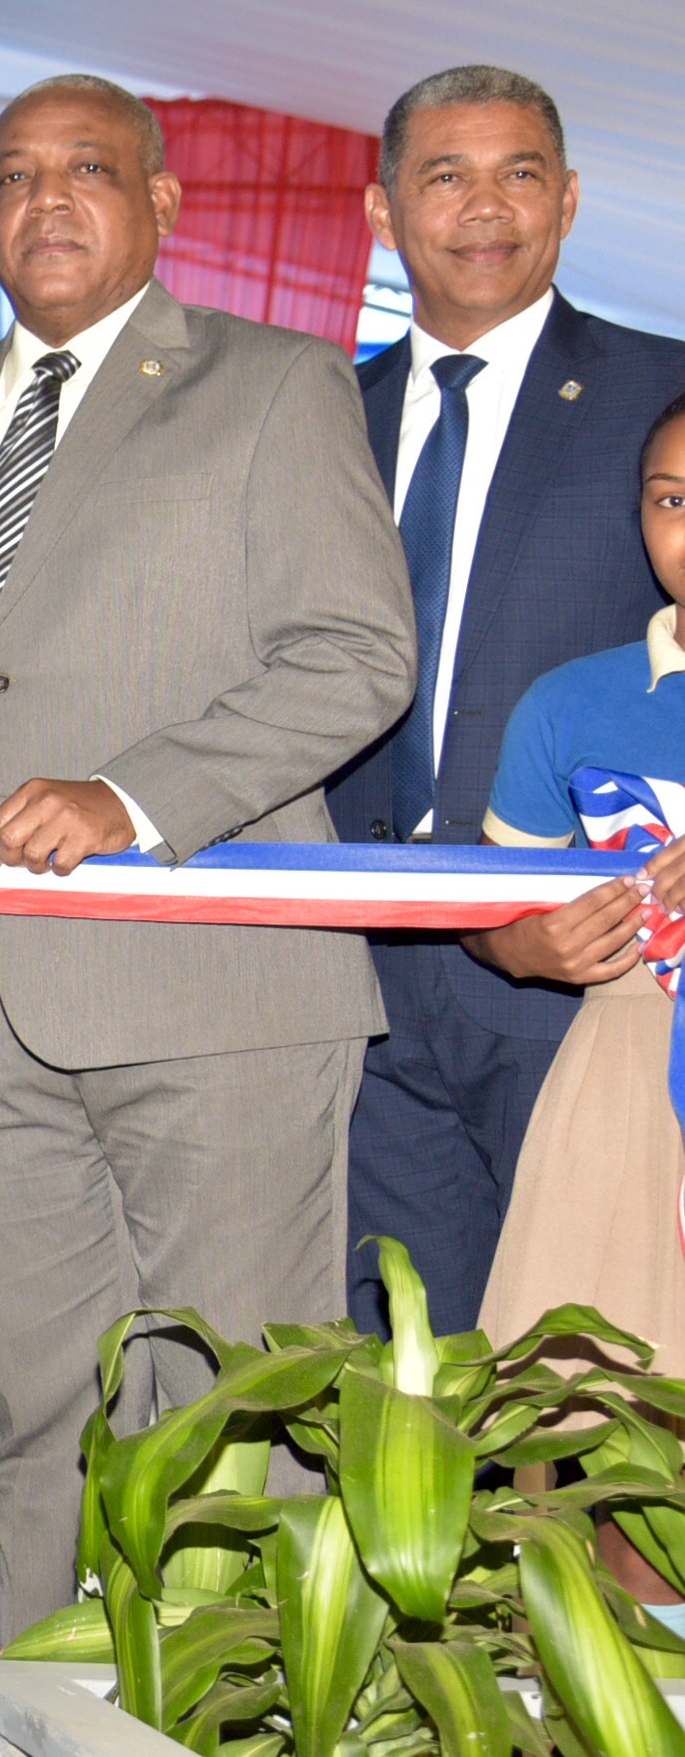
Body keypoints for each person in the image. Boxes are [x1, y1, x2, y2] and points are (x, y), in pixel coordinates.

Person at [0, 79, 414, 1757]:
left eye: (85, 171)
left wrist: (137, 798)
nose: (44, 201)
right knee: (44, 1428)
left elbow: (356, 656)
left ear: (161, 203)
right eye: (10, 178)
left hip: (222, 993)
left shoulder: (275, 383)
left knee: (233, 1424)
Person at [322, 68, 685, 1337]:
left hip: (591, 981)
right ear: (379, 211)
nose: (486, 207)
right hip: (345, 986)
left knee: (594, 1394)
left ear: (569, 200)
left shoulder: (665, 398)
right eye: (445, 175)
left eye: (519, 173)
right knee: (396, 1397)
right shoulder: (311, 418)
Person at [468, 385, 685, 1632]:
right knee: (598, 1440)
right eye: (667, 499)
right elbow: (495, 917)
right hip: (618, 1085)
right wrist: (535, 946)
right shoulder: (569, 702)